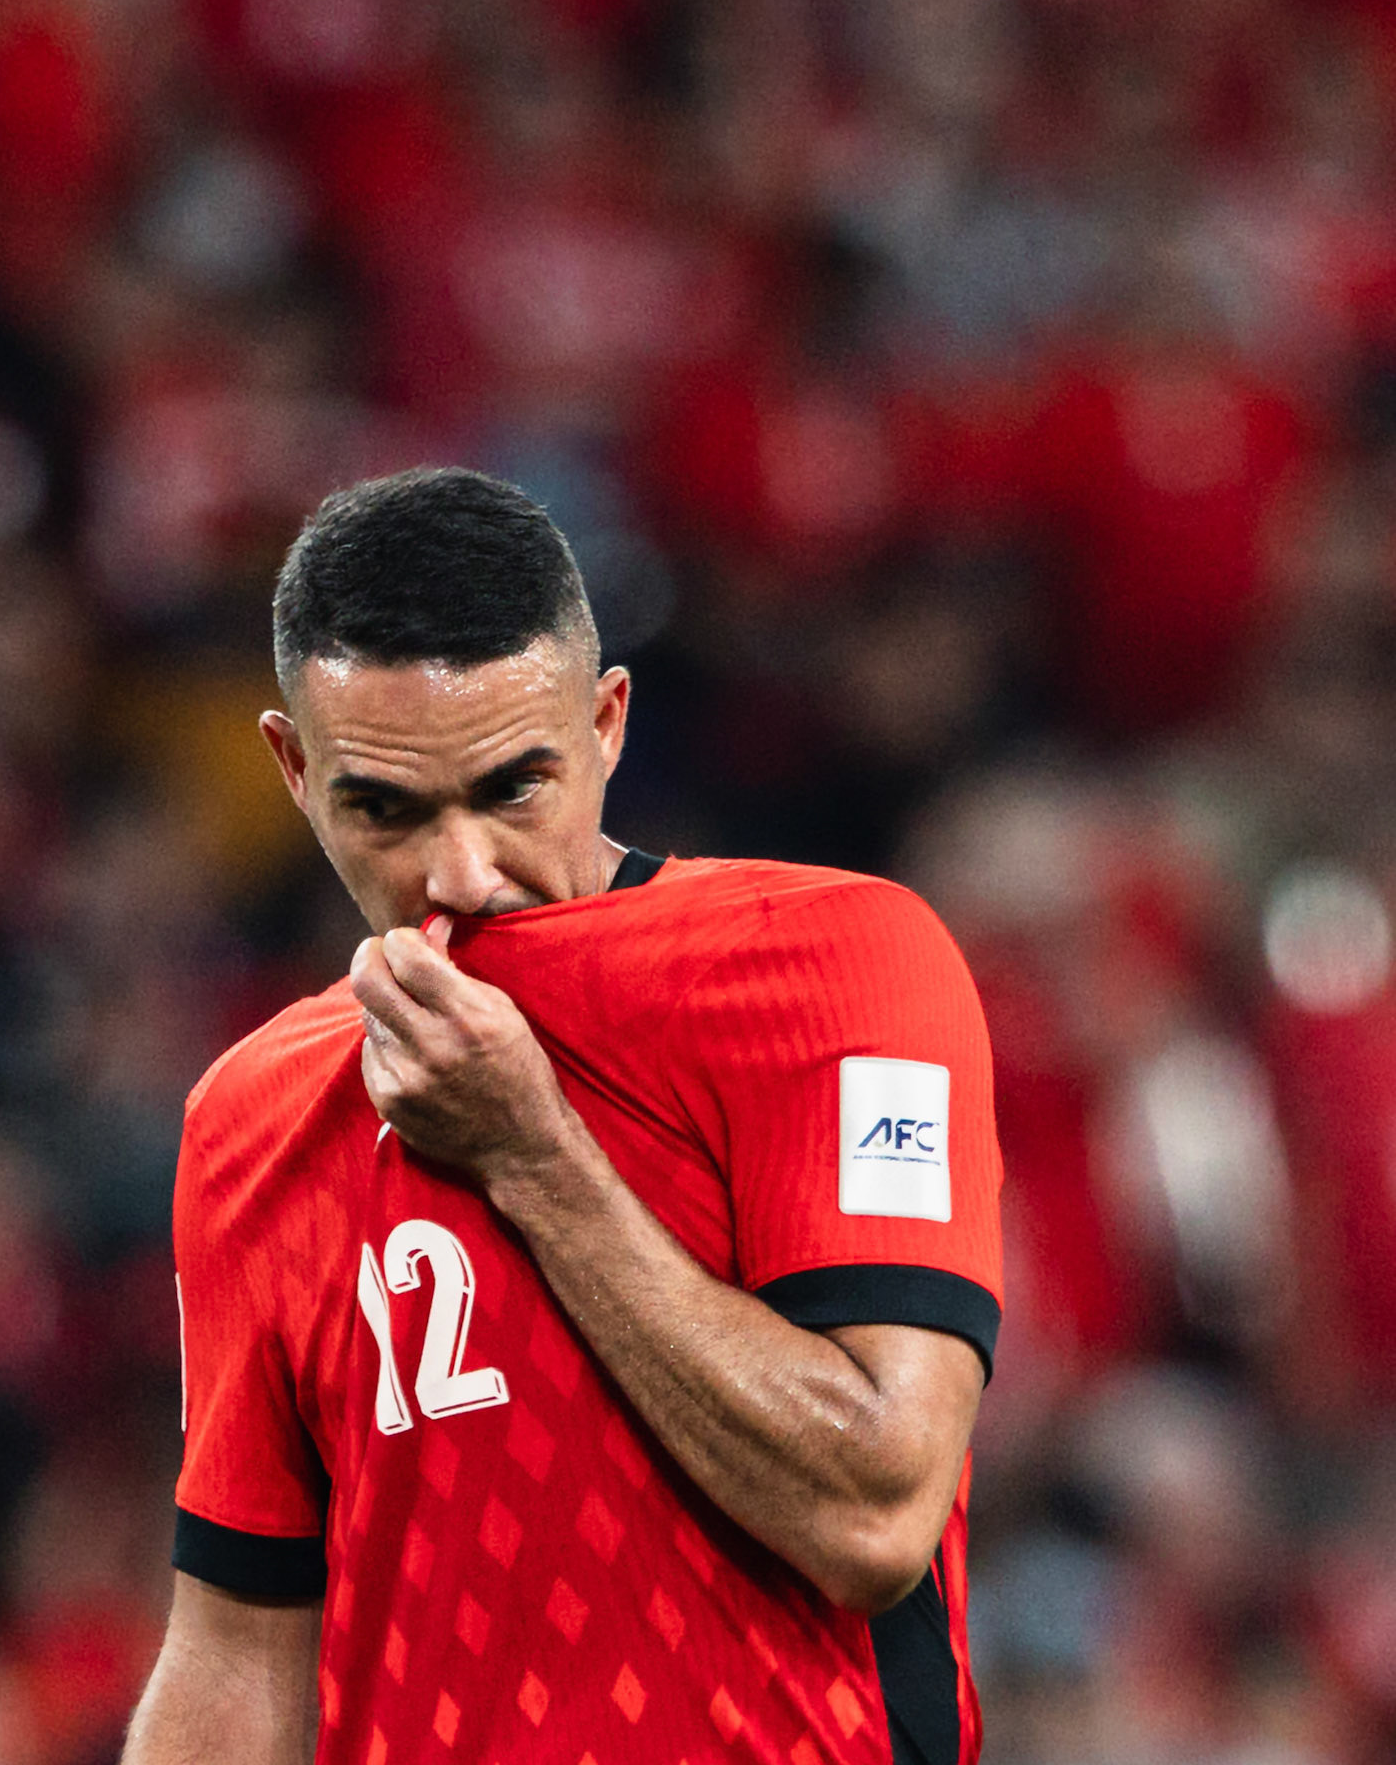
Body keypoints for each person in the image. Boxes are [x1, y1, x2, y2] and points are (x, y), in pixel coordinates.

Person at [123, 467, 1002, 1765]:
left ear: (606, 723)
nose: (460, 875)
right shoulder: (251, 1114)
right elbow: (236, 1650)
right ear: (294, 769)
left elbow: (874, 1515)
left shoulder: (834, 965)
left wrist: (530, 1153)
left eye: (511, 789)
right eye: (385, 807)